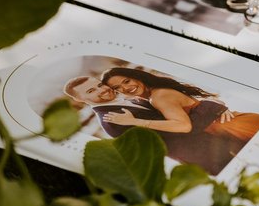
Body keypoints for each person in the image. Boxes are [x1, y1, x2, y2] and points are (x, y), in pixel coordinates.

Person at [63, 75, 233, 175]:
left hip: (219, 142)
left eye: (99, 85)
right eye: (91, 91)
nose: (103, 90)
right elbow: (181, 130)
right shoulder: (112, 122)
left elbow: (178, 115)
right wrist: (212, 107)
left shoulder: (130, 101)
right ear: (80, 99)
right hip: (206, 159)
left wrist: (211, 105)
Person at [99, 67, 259, 145]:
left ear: (135, 76)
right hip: (229, 129)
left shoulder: (158, 97)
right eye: (117, 88)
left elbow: (184, 125)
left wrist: (134, 122)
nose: (125, 88)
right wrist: (217, 105)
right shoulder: (146, 97)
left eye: (126, 81)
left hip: (235, 128)